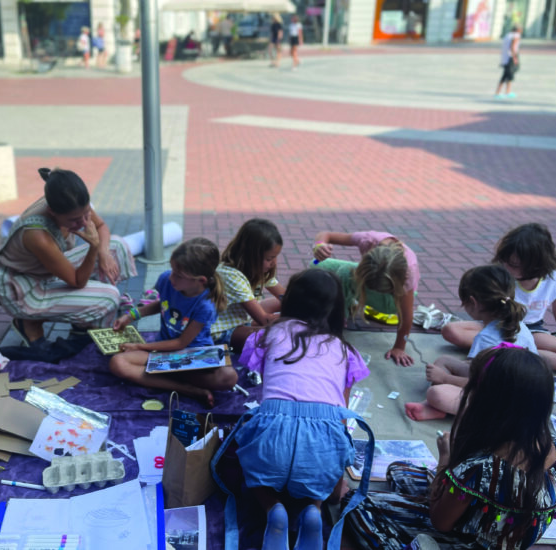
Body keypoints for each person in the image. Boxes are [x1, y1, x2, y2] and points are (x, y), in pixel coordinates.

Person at [346, 345, 556, 550]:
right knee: (399, 471)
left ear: (489, 402)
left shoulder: (481, 468)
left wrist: (446, 457)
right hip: (494, 529)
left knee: (356, 506)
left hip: (465, 541)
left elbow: (440, 522)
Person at [236, 269, 370, 550]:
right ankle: (314, 509)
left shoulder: (269, 334)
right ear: (335, 309)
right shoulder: (345, 351)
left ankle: (273, 508)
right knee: (324, 470)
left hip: (273, 431)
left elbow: (261, 376)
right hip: (321, 441)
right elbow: (340, 418)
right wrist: (335, 485)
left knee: (247, 461)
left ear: (289, 301)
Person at [0, 167, 136, 345]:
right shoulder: (37, 235)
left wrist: (103, 252)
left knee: (117, 246)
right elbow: (77, 281)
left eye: (86, 215)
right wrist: (93, 247)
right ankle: (29, 320)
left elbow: (101, 227)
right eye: (75, 220)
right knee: (109, 297)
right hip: (23, 289)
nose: (84, 223)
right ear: (52, 212)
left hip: (45, 270)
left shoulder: (72, 202)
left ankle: (83, 324)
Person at [109, 237, 236, 406]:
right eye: (173, 270)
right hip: (164, 352)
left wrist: (139, 347)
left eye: (179, 275)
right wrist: (131, 315)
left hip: (192, 355)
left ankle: (164, 374)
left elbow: (181, 343)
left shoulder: (205, 306)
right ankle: (187, 389)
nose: (172, 278)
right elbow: (162, 305)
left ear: (201, 280)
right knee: (118, 363)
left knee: (229, 377)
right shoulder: (166, 279)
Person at [443, 223, 556, 373]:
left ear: (535, 263)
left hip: (532, 330)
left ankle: (514, 352)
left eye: (514, 265)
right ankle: (516, 352)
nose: (507, 268)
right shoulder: (501, 276)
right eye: (505, 262)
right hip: (496, 324)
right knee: (451, 330)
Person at [406, 264, 537, 421]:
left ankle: (436, 405)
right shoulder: (518, 325)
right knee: (444, 361)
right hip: (522, 395)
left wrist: (445, 379)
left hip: (506, 405)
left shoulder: (486, 339)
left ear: (473, 303)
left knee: (436, 394)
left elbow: (483, 386)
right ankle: (436, 406)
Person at [312, 230, 421, 366]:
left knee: (345, 273)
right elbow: (326, 234)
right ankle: (342, 314)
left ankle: (343, 311)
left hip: (392, 302)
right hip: (373, 282)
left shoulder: (408, 271)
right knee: (317, 265)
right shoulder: (369, 240)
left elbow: (406, 317)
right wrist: (319, 246)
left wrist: (399, 347)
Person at [211, 218, 286, 355]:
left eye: (275, 257)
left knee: (283, 304)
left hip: (243, 319)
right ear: (250, 256)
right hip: (222, 332)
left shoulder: (255, 269)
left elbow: (285, 296)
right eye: (269, 259)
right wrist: (299, 317)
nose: (274, 263)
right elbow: (264, 319)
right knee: (272, 336)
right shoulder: (230, 275)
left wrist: (300, 305)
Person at [495, 25, 521, 99]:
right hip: (510, 58)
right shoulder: (516, 35)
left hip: (505, 58)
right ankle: (499, 92)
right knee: (507, 75)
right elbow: (512, 47)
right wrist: (515, 58)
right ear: (518, 30)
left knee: (507, 75)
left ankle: (507, 91)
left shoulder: (507, 35)